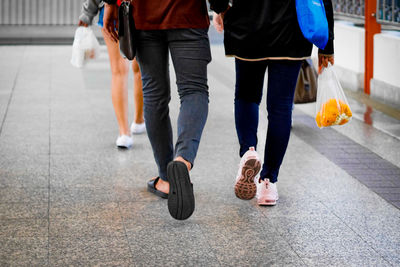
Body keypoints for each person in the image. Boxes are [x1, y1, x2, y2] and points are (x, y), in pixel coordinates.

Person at [210, 0, 334, 205]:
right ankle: (268, 182)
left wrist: (220, 7)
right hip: (292, 31)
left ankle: (248, 152)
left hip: (247, 27)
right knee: (281, 108)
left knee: (246, 96)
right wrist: (327, 45)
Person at [102, 0, 211, 220]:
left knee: (154, 96)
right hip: (188, 14)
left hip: (144, 15)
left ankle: (165, 178)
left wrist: (110, 5)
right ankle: (183, 160)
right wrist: (221, 7)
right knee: (193, 91)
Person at [78, 0, 146, 149]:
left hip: (113, 9)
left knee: (118, 72)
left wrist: (88, 13)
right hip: (144, 9)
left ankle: (124, 132)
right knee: (140, 70)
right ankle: (139, 121)